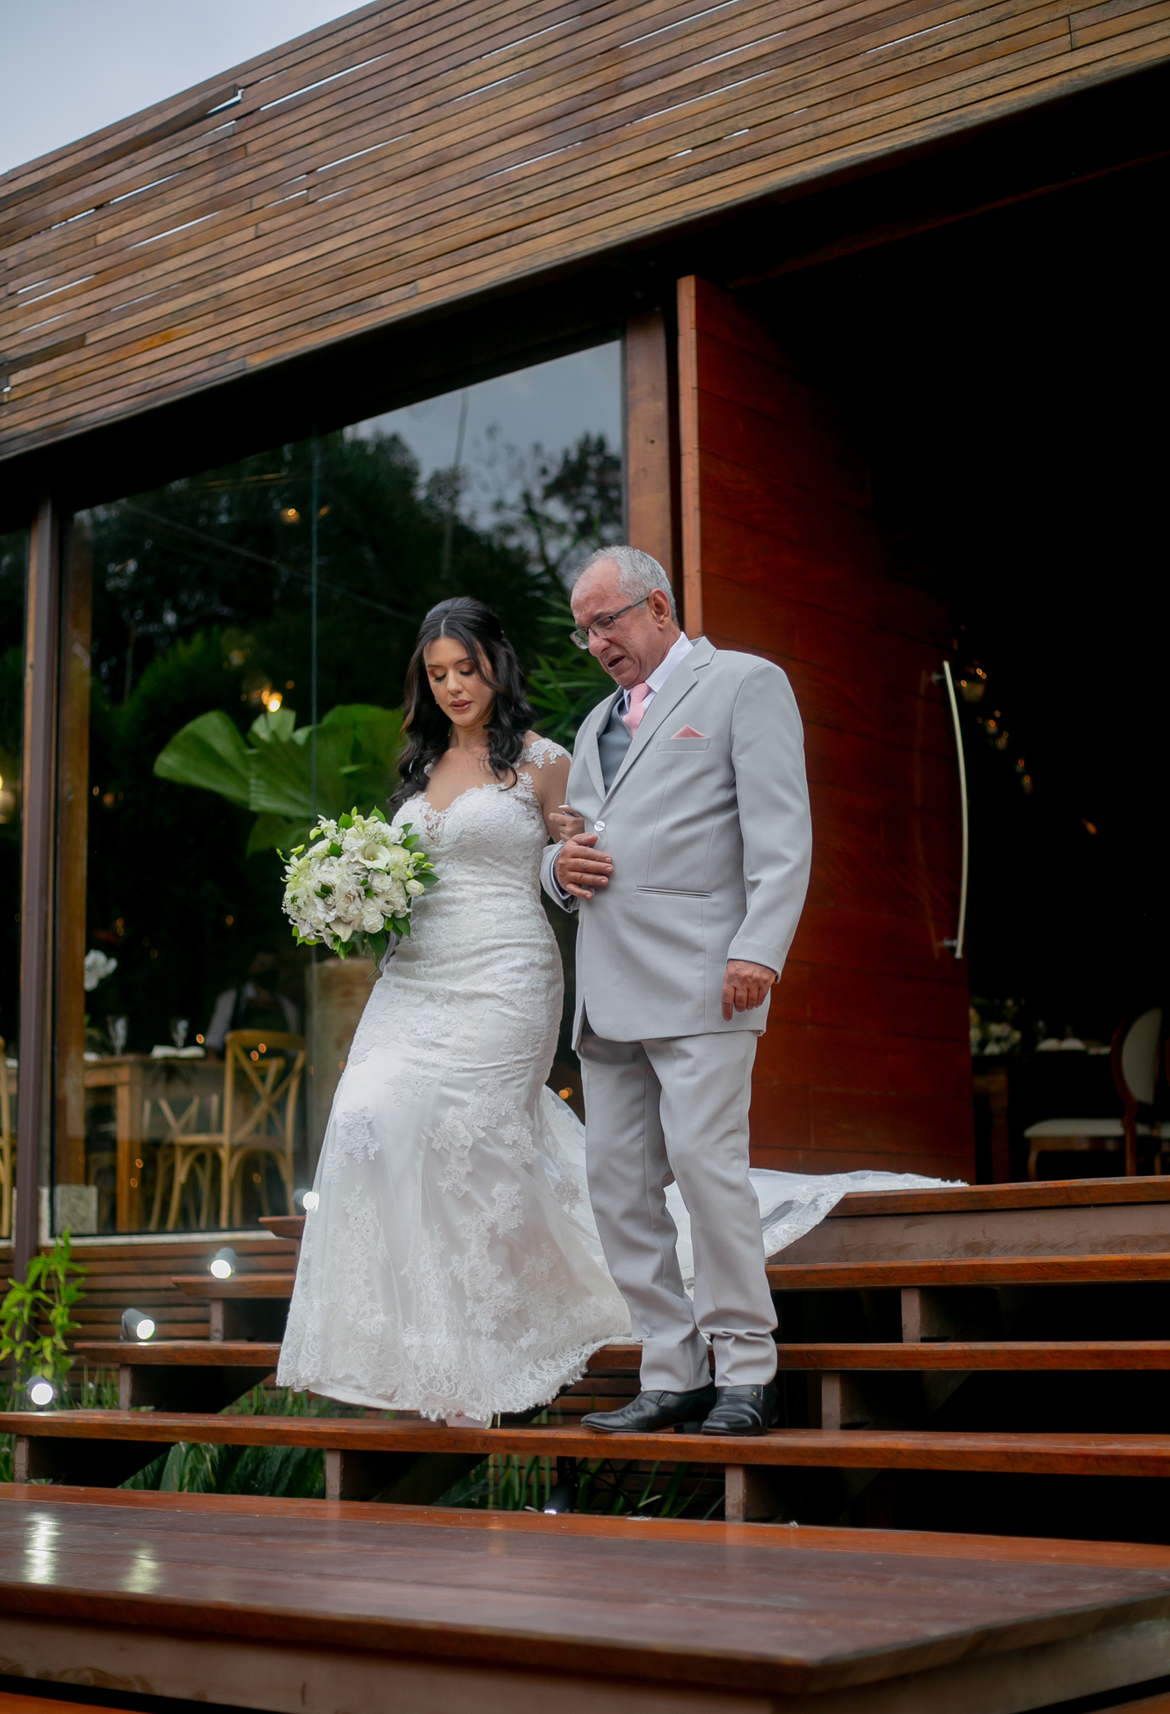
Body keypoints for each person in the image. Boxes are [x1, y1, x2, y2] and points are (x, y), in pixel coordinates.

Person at [277, 598, 632, 1420]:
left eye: (465, 669)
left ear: (496, 665)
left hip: (507, 970)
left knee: (469, 1137)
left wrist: (572, 843)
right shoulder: (420, 765)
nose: (453, 687)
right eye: (437, 674)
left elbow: (583, 861)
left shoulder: (546, 762)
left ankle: (494, 1335)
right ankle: (406, 1344)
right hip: (413, 976)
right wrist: (351, 893)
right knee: (366, 1114)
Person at [543, 546, 811, 1437]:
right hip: (608, 990)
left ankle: (747, 1370)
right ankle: (672, 1371)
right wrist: (556, 867)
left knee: (706, 1170)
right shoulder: (595, 723)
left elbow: (783, 836)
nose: (596, 643)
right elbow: (578, 841)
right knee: (618, 1188)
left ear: (658, 607)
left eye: (606, 622)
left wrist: (759, 949)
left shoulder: (744, 684)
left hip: (707, 980)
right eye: (584, 631)